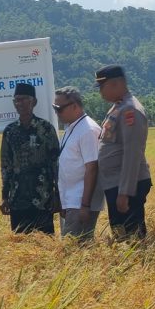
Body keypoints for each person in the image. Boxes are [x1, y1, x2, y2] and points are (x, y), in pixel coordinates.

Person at [95, 65, 152, 240]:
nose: (100, 93)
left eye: (101, 87)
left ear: (116, 84)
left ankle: (138, 265)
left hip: (126, 185)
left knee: (132, 237)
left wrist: (124, 192)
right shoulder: (118, 107)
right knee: (121, 234)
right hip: (115, 183)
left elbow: (132, 153)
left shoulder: (130, 110)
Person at [0, 82, 60, 234]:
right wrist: (5, 196)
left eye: (24, 99)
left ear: (33, 101)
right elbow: (6, 166)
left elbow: (56, 164)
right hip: (17, 199)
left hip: (43, 197)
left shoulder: (46, 128)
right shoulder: (10, 131)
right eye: (16, 100)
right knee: (20, 248)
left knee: (46, 245)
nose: (19, 103)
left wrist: (58, 195)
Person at [54, 86, 104, 241]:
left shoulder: (88, 130)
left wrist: (85, 206)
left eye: (59, 108)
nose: (57, 112)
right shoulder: (72, 127)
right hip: (72, 201)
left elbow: (92, 168)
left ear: (74, 106)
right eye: (54, 108)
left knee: (73, 250)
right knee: (73, 250)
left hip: (81, 202)